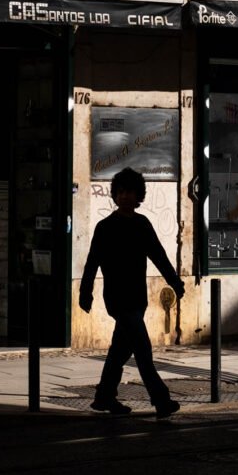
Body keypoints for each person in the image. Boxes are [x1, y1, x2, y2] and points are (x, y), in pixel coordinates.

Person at [79, 167, 185, 418]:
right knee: (143, 351)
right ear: (115, 195)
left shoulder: (142, 224)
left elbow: (159, 256)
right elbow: (92, 262)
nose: (126, 196)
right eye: (122, 192)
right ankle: (161, 400)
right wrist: (86, 292)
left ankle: (104, 397)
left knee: (120, 351)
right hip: (118, 299)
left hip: (137, 299)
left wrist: (176, 282)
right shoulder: (105, 227)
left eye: (131, 192)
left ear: (139, 196)